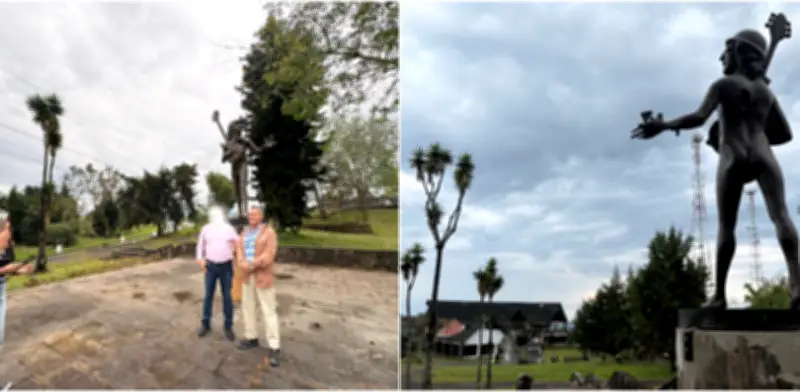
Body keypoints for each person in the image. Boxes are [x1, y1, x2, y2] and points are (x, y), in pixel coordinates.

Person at [631, 29, 800, 308]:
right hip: (763, 154)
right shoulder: (765, 93)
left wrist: (664, 126)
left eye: (725, 52)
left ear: (736, 53)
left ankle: (720, 296)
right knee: (781, 216)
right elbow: (784, 134)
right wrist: (756, 128)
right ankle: (797, 286)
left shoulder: (722, 85)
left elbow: (697, 117)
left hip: (732, 156)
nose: (721, 57)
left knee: (727, 226)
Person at [235, 205, 281, 367]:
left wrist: (252, 263)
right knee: (248, 307)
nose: (251, 217)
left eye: (254, 215)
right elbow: (239, 249)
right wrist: (241, 262)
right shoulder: (245, 232)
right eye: (250, 215)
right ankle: (251, 337)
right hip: (247, 276)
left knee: (269, 310)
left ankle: (274, 347)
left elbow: (269, 254)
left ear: (261, 216)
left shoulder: (268, 233)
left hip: (262, 275)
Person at [195, 206, 239, 340]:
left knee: (227, 296)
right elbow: (200, 246)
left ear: (222, 216)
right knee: (208, 295)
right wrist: (200, 260)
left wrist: (235, 251)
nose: (215, 218)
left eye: (217, 215)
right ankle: (205, 324)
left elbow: (238, 242)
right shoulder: (206, 229)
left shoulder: (228, 229)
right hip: (211, 266)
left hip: (226, 266)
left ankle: (228, 326)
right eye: (213, 215)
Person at [0, 211, 33, 345]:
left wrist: (21, 270)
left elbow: (8, 267)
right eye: (6, 228)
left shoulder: (7, 248)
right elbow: (4, 269)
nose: (9, 233)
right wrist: (4, 270)